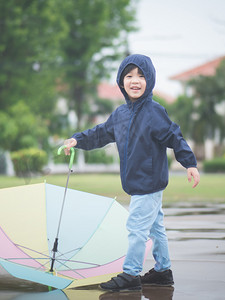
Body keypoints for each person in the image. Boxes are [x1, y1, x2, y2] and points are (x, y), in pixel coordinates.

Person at [62, 54, 200, 292]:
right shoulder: (120, 114)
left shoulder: (154, 112)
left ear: (150, 80)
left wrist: (189, 163)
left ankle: (130, 274)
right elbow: (100, 133)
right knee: (156, 228)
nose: (135, 80)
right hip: (138, 183)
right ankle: (163, 272)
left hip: (149, 183)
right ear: (121, 81)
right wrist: (77, 140)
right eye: (129, 75)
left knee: (136, 228)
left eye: (141, 75)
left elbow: (174, 135)